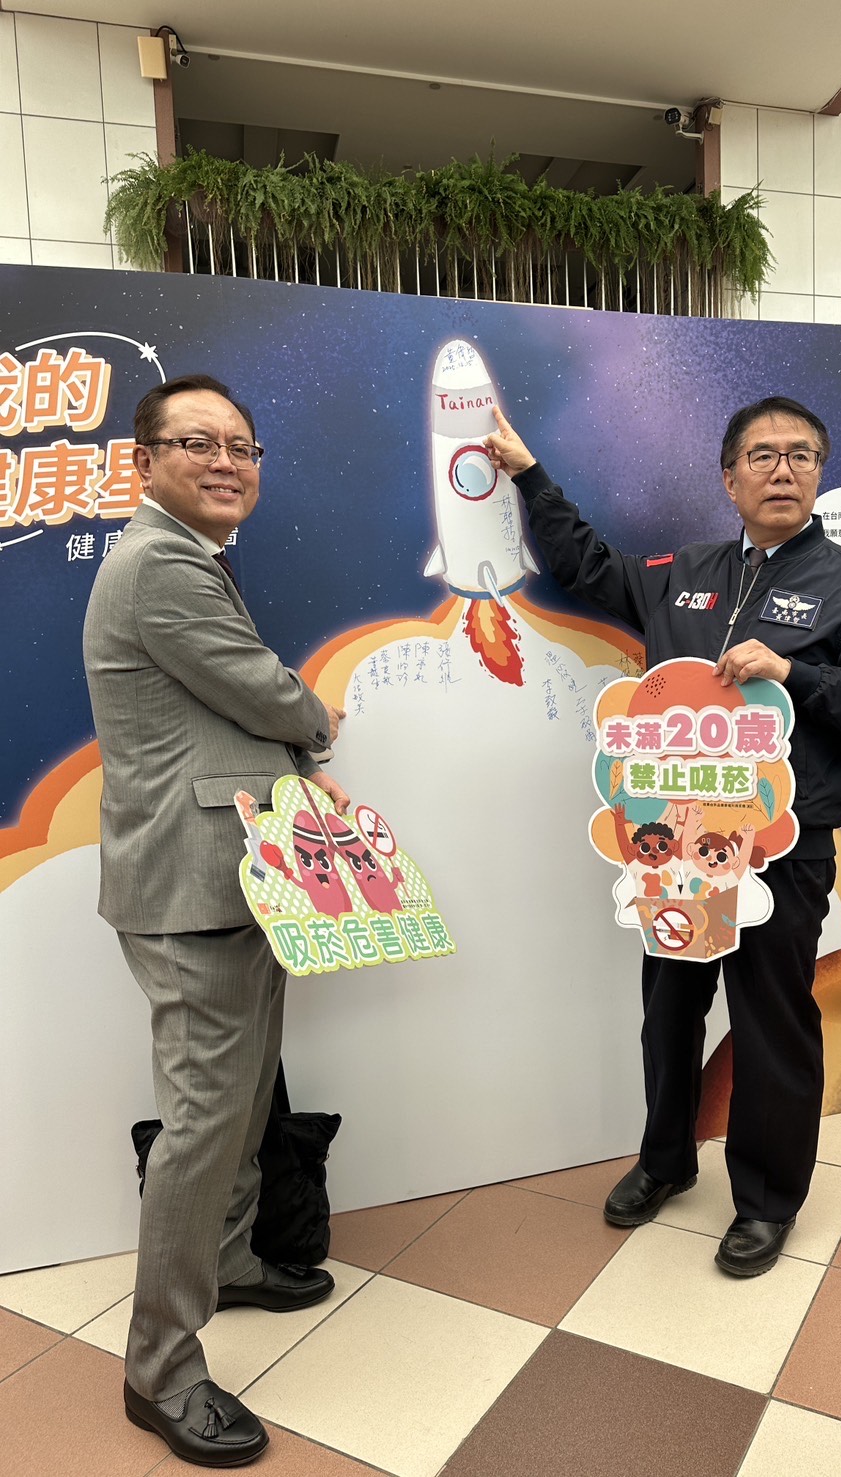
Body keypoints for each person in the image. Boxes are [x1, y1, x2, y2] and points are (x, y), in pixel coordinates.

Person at [485, 396, 841, 1276]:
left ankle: (766, 1199)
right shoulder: (683, 571)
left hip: (781, 848)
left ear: (819, 473)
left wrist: (794, 672)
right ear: (729, 478)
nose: (782, 469)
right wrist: (530, 478)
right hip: (675, 846)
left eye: (801, 455)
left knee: (771, 1021)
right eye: (762, 455)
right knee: (668, 1011)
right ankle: (665, 1159)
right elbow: (585, 565)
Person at [83, 374, 349, 1467]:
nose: (227, 461)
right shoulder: (161, 563)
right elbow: (256, 688)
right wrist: (316, 723)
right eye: (199, 442)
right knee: (203, 1121)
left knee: (239, 1099)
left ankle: (231, 1261)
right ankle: (160, 1369)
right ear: (145, 460)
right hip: (189, 886)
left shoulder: (187, 556)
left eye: (242, 444)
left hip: (233, 874)